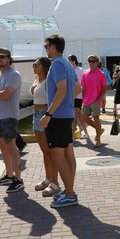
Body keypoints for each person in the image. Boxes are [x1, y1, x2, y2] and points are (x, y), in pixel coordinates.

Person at [40, 34, 80, 208]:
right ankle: (69, 190)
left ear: (53, 47)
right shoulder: (68, 64)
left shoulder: (57, 64)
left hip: (57, 117)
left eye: (46, 46)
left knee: (59, 156)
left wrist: (49, 114)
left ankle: (70, 194)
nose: (45, 49)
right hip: (67, 114)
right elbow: (78, 88)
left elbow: (62, 90)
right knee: (68, 154)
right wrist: (67, 104)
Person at [0, 48, 24, 193]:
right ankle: (9, 175)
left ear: (9, 59)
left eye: (3, 57)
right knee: (3, 147)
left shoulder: (14, 75)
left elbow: (5, 95)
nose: (0, 59)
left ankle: (18, 179)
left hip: (9, 116)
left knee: (11, 147)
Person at [30, 57, 61, 197]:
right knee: (44, 151)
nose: (34, 67)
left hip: (43, 113)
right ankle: (49, 178)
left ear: (44, 67)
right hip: (36, 114)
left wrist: (49, 115)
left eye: (36, 65)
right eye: (33, 65)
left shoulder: (48, 81)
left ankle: (55, 183)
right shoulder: (37, 81)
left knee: (49, 151)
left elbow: (54, 98)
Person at [0, 61, 27, 156]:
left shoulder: (11, 77)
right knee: (2, 131)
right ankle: (19, 144)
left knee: (7, 132)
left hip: (8, 113)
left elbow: (5, 95)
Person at [80, 55, 107, 147]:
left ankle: (98, 140)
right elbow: (83, 88)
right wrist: (82, 99)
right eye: (89, 61)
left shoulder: (101, 74)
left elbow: (105, 88)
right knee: (84, 118)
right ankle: (99, 130)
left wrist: (99, 99)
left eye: (93, 61)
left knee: (96, 119)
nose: (91, 63)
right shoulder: (85, 73)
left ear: (97, 62)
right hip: (86, 100)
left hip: (95, 100)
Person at [68, 55, 89, 139]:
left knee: (75, 116)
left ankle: (72, 136)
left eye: (69, 60)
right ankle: (86, 134)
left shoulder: (80, 70)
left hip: (78, 96)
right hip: (70, 96)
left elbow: (84, 83)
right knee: (79, 116)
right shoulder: (68, 70)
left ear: (73, 61)